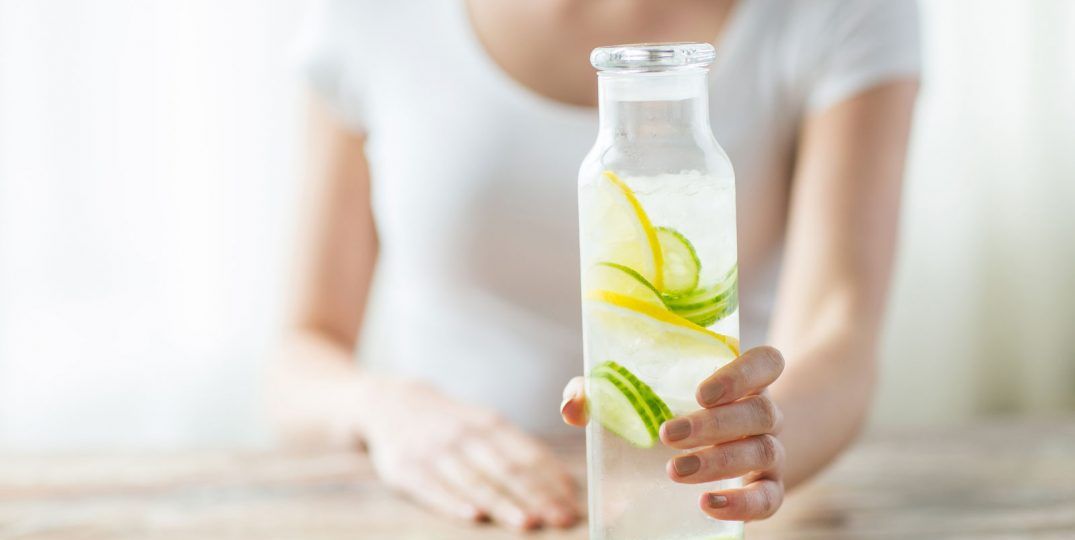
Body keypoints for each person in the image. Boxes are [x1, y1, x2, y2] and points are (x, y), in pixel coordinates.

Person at [269, 0, 920, 531]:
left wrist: (757, 446)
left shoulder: (838, 12)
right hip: (450, 510)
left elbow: (838, 332)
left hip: (696, 503)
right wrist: (388, 410)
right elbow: (300, 351)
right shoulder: (367, 16)